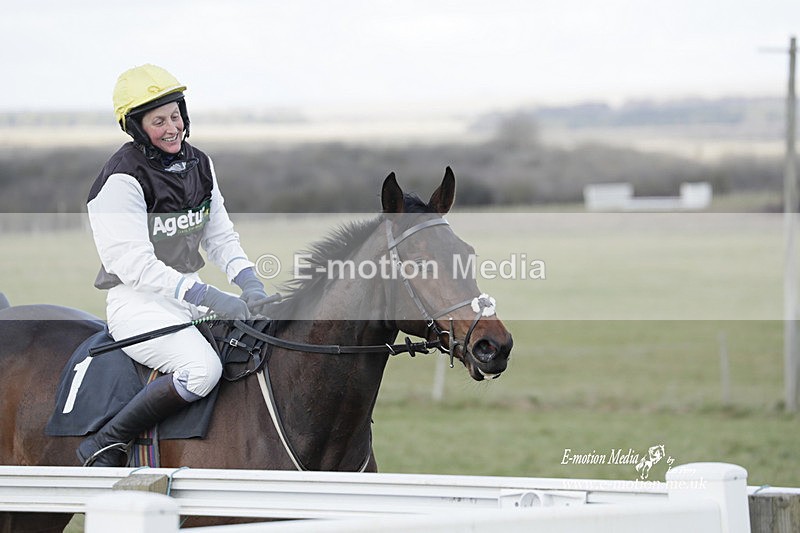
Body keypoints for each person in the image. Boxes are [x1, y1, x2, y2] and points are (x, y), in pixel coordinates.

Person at [80, 64, 269, 467]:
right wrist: (209, 296)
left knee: (261, 336)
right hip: (138, 303)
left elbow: (220, 236)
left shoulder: (200, 163)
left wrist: (249, 282)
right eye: (159, 121)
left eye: (176, 115)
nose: (172, 128)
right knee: (202, 370)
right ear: (136, 127)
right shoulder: (121, 179)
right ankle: (108, 441)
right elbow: (133, 264)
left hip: (189, 294)